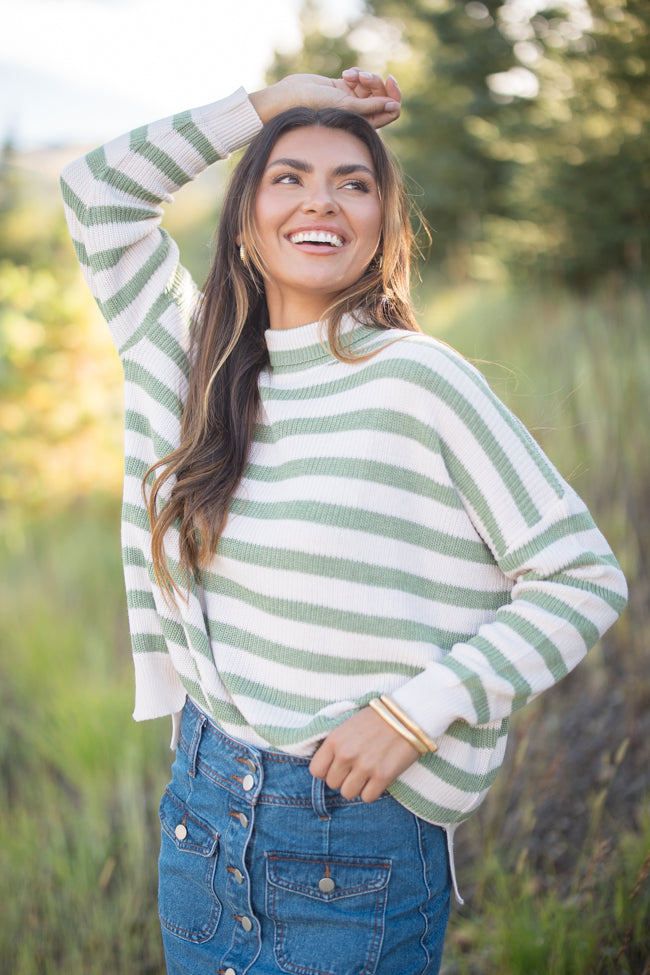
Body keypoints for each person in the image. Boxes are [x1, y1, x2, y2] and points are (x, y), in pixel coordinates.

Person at [60, 69, 627, 975]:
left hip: (354, 833)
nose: (320, 200)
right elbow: (98, 190)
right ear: (244, 221)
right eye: (287, 175)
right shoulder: (188, 354)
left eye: (353, 183)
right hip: (205, 808)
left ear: (382, 226)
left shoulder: (419, 378)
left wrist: (416, 713)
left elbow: (583, 577)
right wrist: (272, 101)